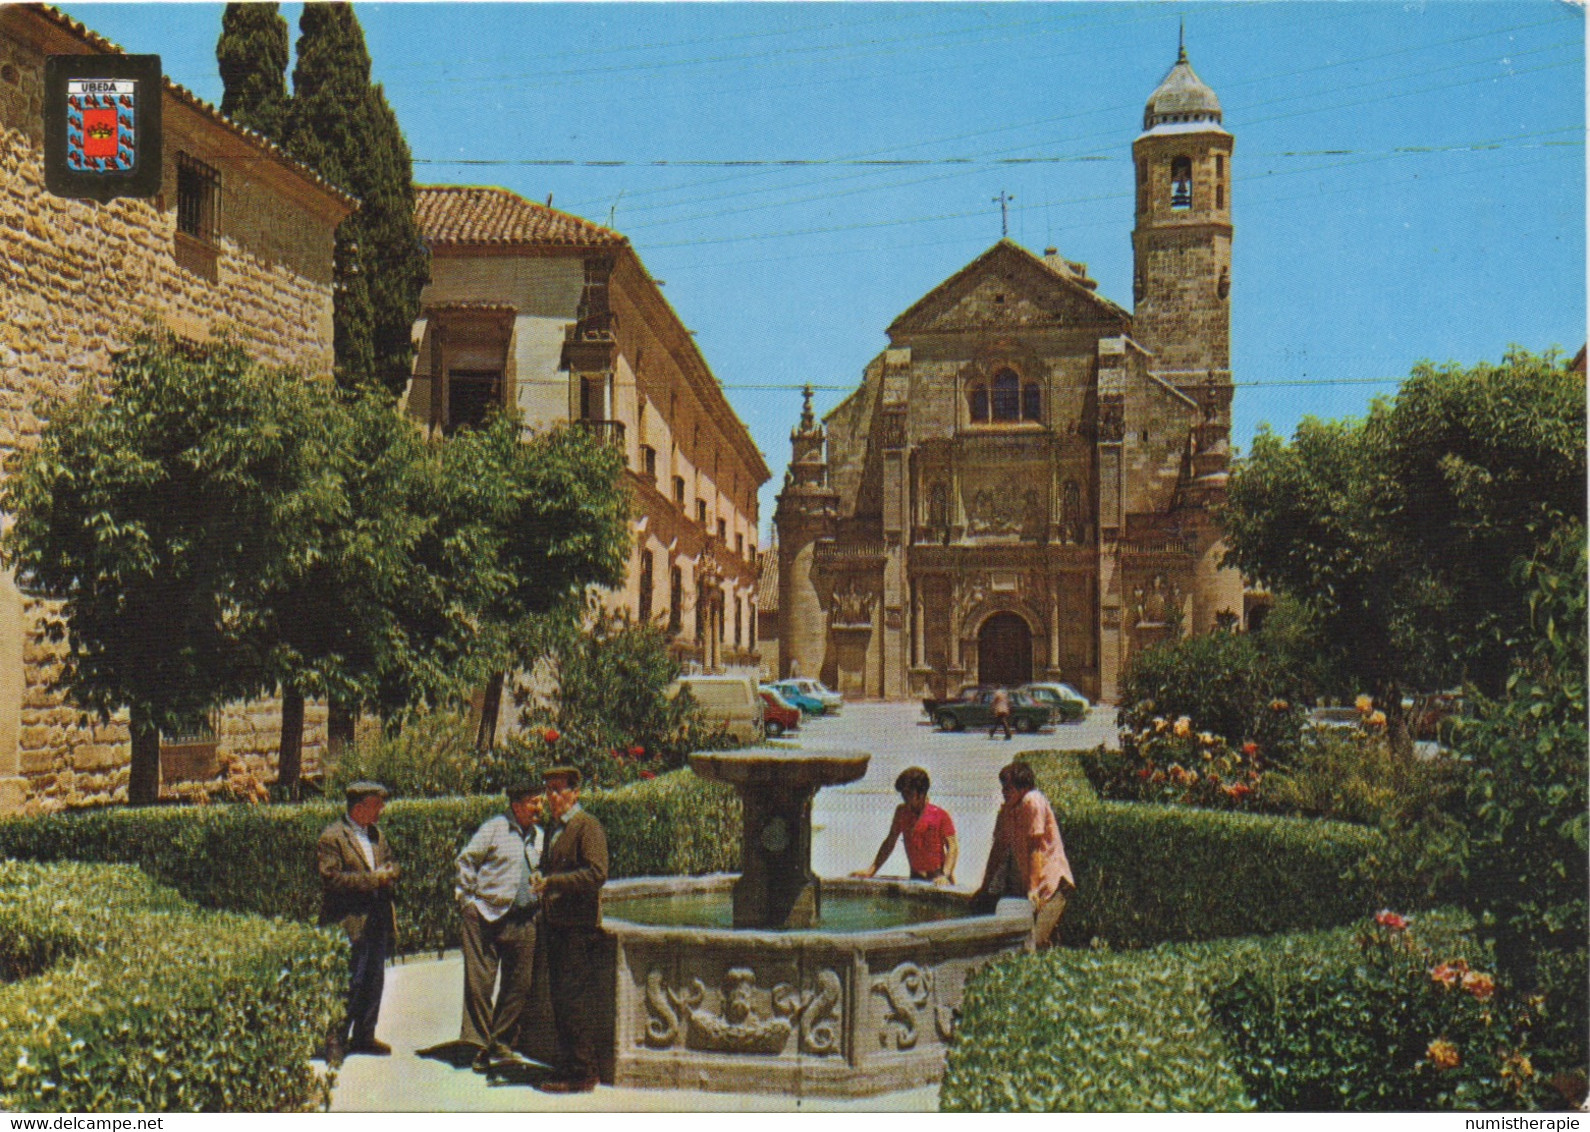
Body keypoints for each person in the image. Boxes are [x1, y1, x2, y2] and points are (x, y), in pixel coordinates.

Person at [455, 779, 545, 1072]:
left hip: (523, 918)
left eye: (540, 802)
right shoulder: (494, 828)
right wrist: (466, 900)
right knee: (480, 984)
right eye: (534, 803)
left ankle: (501, 1041)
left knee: (520, 984)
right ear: (517, 805)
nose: (539, 808)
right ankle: (478, 1046)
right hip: (485, 914)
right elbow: (466, 861)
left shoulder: (540, 837)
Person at [530, 766, 608, 1094]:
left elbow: (596, 873)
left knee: (573, 1000)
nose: (552, 796)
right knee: (561, 999)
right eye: (549, 790)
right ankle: (569, 1064)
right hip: (557, 924)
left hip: (578, 927)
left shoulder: (586, 826)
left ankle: (584, 1072)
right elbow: (553, 868)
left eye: (559, 790)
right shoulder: (554, 829)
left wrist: (554, 883)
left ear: (576, 792)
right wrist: (541, 877)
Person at [317, 781, 400, 1063]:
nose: (381, 810)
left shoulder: (377, 834)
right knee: (348, 982)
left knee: (373, 980)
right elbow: (332, 880)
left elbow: (390, 861)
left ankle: (365, 1035)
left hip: (376, 920)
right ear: (359, 807)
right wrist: (372, 879)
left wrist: (391, 872)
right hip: (349, 923)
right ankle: (335, 1041)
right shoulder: (333, 837)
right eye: (377, 804)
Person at [973, 761, 1075, 951]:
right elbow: (998, 850)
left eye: (1008, 787)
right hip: (1033, 887)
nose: (1004, 791)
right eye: (1003, 787)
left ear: (1023, 786)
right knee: (1027, 944)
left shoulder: (1032, 800)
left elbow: (1035, 848)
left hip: (1052, 886)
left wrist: (1033, 889)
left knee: (1033, 944)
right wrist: (985, 887)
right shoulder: (1007, 811)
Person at [850, 766, 959, 885]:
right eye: (903, 793)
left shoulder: (939, 815)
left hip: (938, 878)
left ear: (921, 793)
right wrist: (871, 870)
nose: (904, 797)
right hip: (915, 877)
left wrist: (945, 875)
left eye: (908, 793)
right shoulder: (901, 812)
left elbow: (952, 847)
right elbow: (890, 841)